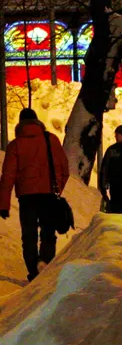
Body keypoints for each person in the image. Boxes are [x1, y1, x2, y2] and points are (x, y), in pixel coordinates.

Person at [0, 107, 68, 281]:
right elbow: (64, 169)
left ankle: (33, 269)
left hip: (27, 198)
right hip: (48, 195)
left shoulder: (15, 145)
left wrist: (3, 204)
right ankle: (45, 262)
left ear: (20, 124)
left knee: (29, 235)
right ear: (38, 122)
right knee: (48, 232)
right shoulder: (51, 139)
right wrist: (57, 188)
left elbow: (7, 177)